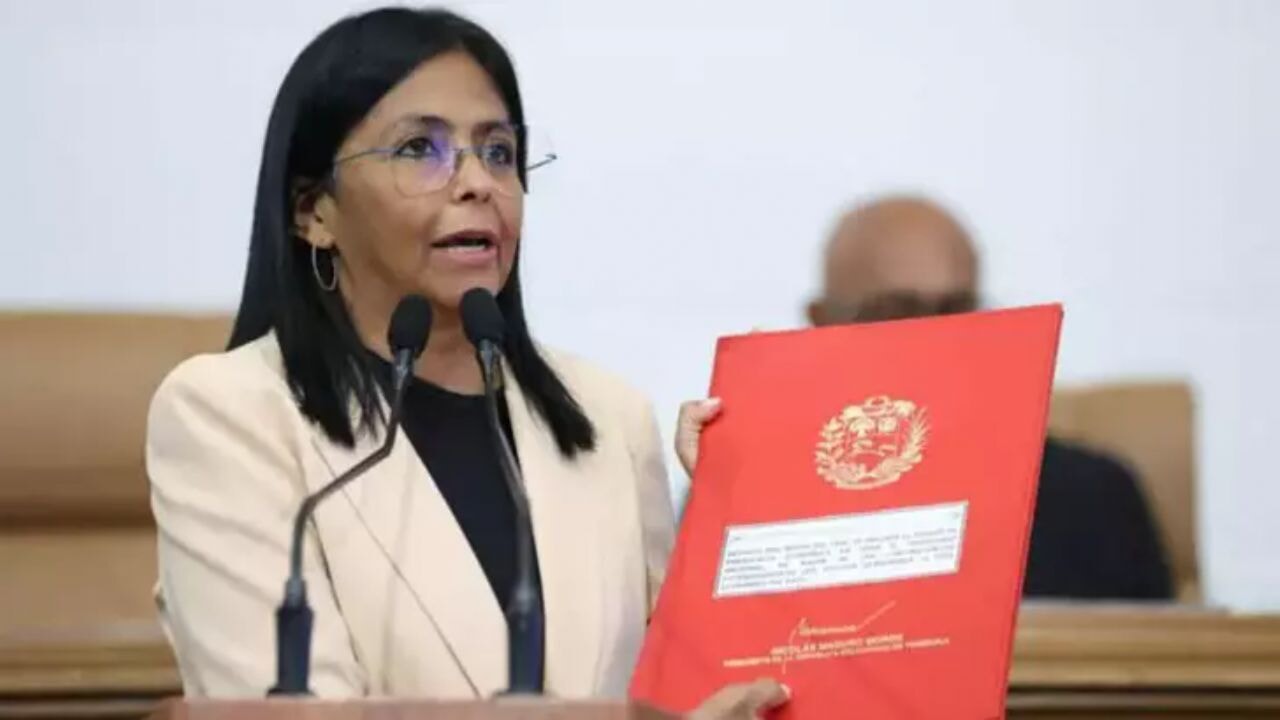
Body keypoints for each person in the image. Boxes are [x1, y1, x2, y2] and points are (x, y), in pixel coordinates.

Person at [144, 8, 787, 716]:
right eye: (420, 148)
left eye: (499, 152)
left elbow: (686, 684)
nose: (478, 182)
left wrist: (739, 511)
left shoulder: (610, 418)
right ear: (314, 211)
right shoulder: (228, 415)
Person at [807, 194, 1175, 600]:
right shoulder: (776, 499)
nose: (937, 341)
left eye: (957, 310)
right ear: (822, 324)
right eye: (897, 312)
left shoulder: (1091, 499)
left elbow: (1151, 640)